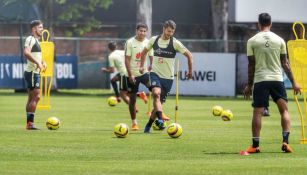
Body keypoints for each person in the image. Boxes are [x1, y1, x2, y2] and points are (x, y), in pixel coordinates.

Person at [243, 13, 301, 153]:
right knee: (284, 111)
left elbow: (251, 65)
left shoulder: (252, 41)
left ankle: (255, 146)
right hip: (277, 80)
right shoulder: (280, 40)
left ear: (259, 23)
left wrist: (249, 85)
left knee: (257, 113)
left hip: (260, 80)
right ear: (271, 23)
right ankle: (285, 142)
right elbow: (285, 64)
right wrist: (294, 82)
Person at [140, 20, 193, 133]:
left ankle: (148, 125)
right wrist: (141, 66)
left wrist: (190, 71)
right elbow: (144, 52)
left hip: (168, 78)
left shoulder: (175, 43)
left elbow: (189, 55)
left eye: (172, 32)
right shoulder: (153, 40)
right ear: (164, 28)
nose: (170, 34)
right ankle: (160, 119)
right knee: (155, 94)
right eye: (169, 31)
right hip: (155, 74)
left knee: (157, 105)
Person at [124, 23, 153, 130]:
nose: (142, 33)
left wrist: (151, 65)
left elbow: (151, 55)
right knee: (132, 100)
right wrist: (130, 74)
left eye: (144, 31)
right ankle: (134, 123)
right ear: (136, 31)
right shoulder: (130, 42)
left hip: (144, 73)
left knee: (155, 90)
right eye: (141, 31)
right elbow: (126, 59)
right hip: (132, 75)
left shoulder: (148, 42)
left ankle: (157, 115)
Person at [24, 20, 47, 130]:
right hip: (33, 72)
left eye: (42, 27)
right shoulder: (30, 39)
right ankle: (30, 124)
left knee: (31, 98)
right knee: (36, 97)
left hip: (34, 72)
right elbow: (27, 53)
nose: (42, 29)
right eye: (40, 27)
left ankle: (29, 123)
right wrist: (37, 63)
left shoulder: (37, 41)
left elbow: (36, 55)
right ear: (34, 29)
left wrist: (42, 62)